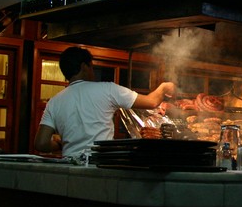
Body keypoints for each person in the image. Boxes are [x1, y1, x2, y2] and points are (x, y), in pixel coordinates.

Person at [34, 46, 176, 157]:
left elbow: (41, 143)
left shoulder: (54, 102)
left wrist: (60, 145)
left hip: (69, 167)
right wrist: (164, 87)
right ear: (84, 67)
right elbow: (151, 102)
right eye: (91, 66)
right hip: (99, 165)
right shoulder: (107, 90)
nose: (92, 71)